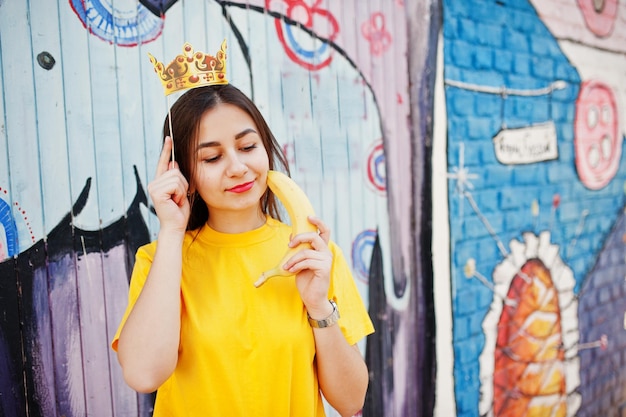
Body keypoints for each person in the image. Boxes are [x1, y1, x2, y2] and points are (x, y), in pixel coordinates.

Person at [111, 80, 375, 416]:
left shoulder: (314, 255)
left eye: (248, 147)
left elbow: (351, 400)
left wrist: (319, 306)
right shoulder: (159, 261)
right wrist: (172, 231)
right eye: (212, 157)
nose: (237, 168)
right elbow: (143, 374)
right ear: (183, 173)